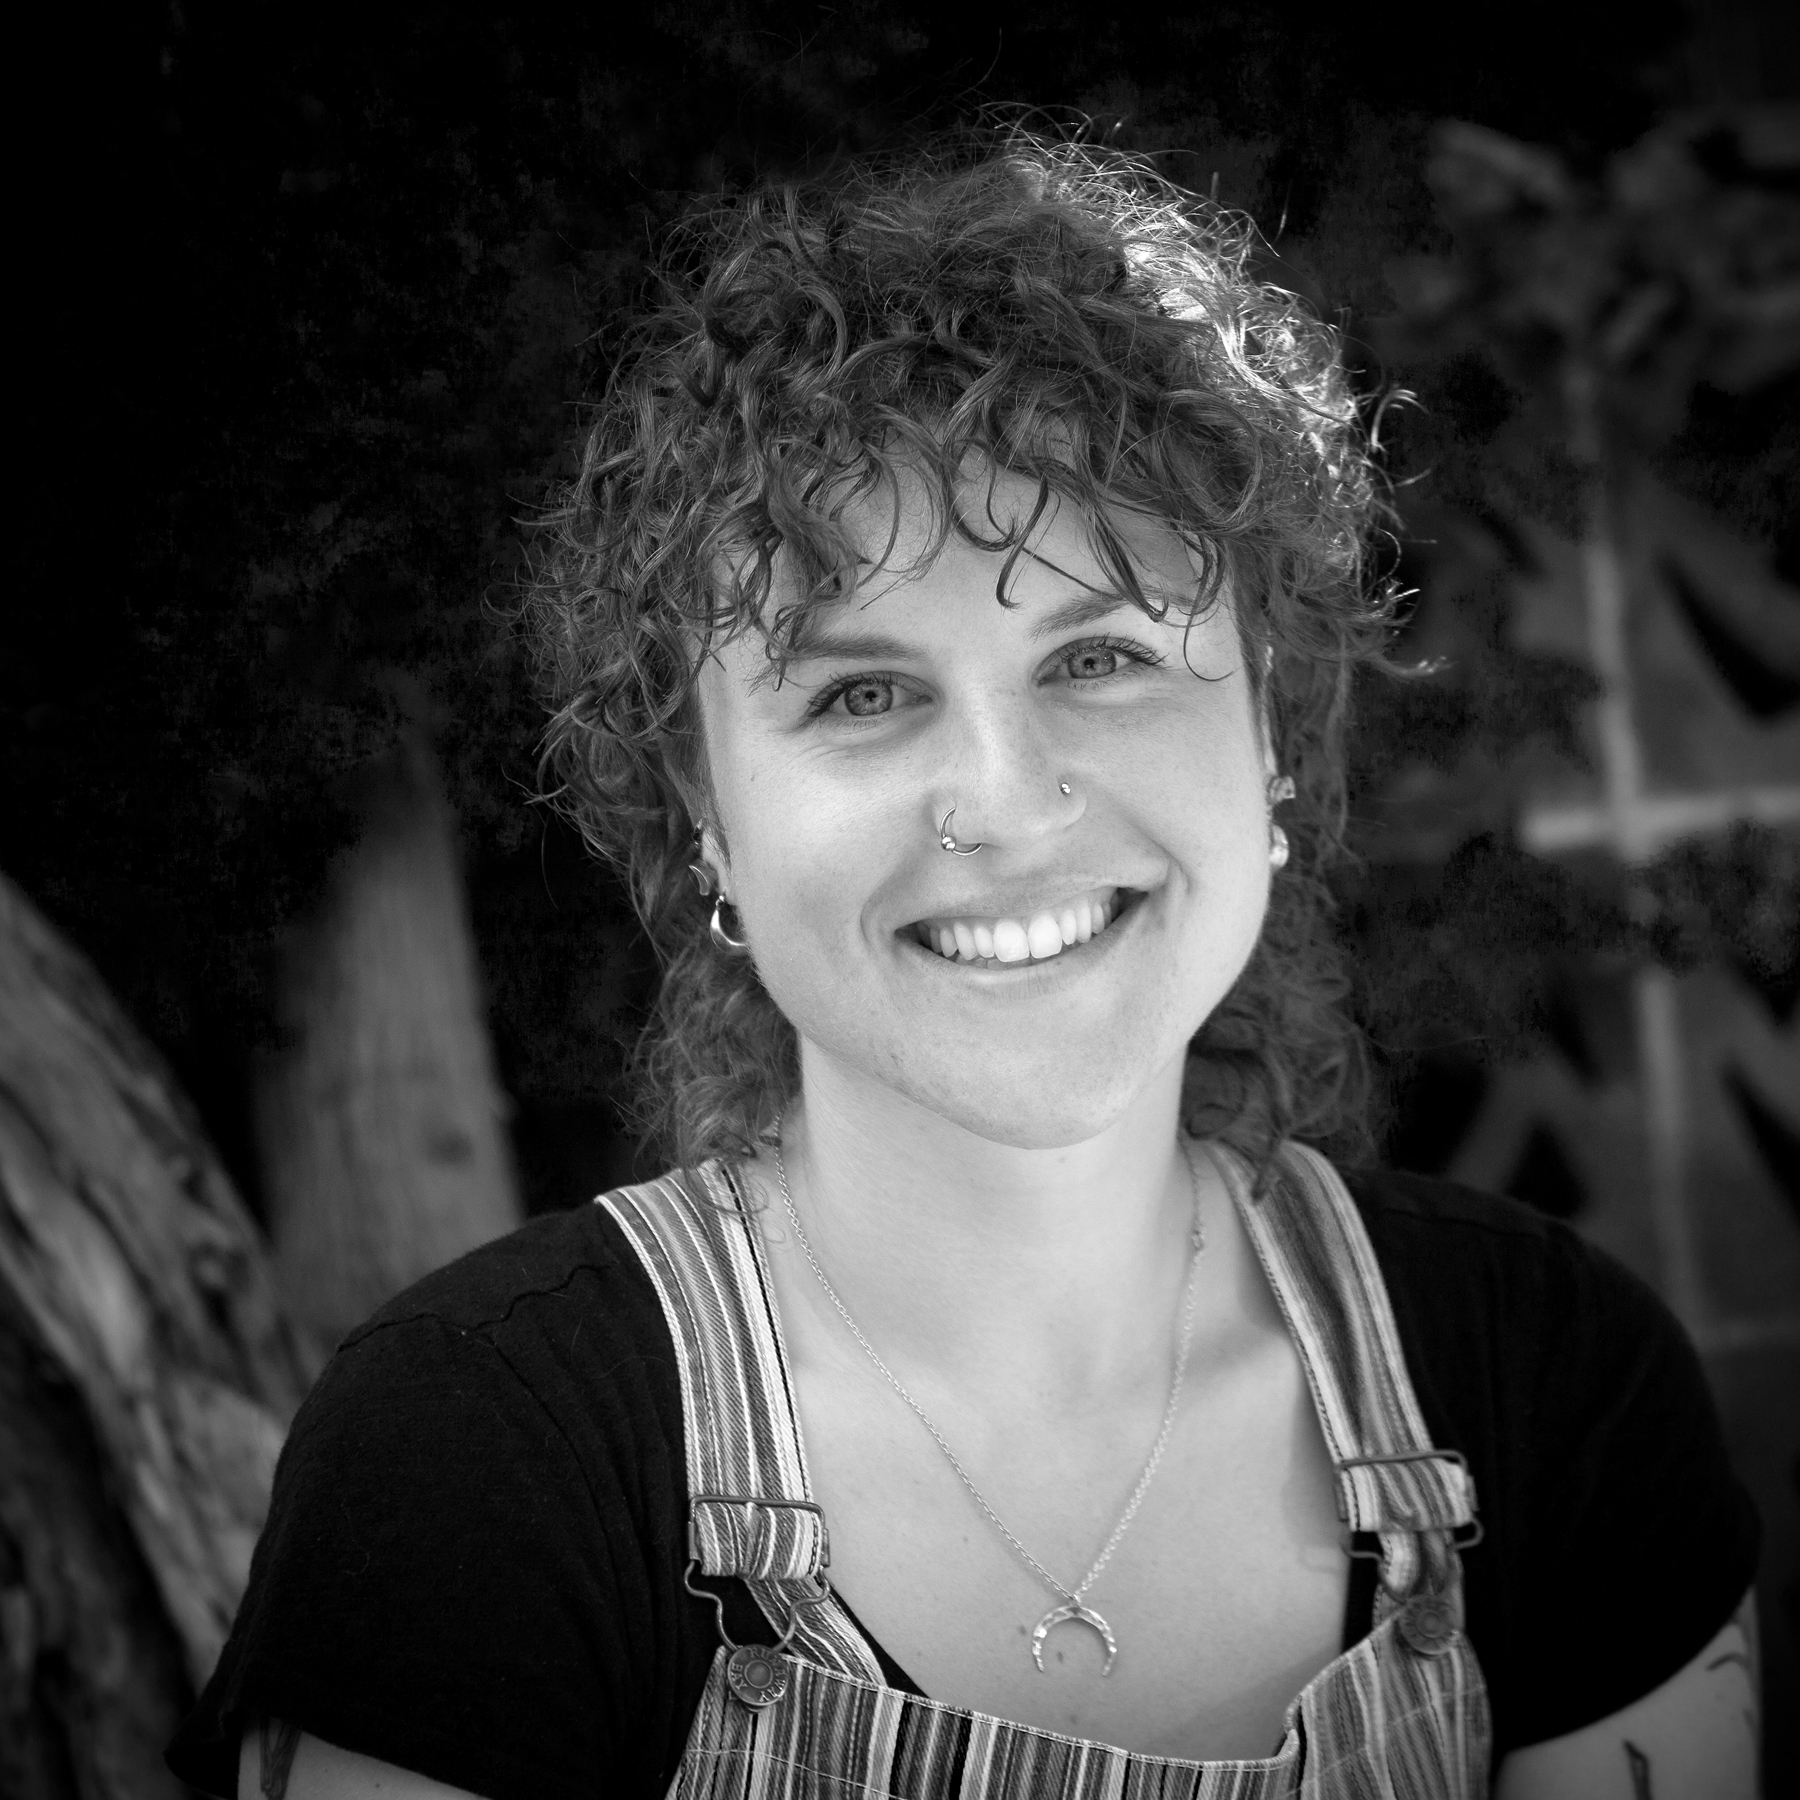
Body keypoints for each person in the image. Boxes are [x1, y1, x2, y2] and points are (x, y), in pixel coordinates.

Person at [167, 128, 1760, 1800]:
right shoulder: (478, 1461)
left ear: (1272, 739)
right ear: (707, 819)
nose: (1002, 803)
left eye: (1101, 655)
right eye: (863, 694)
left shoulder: (1555, 1384)